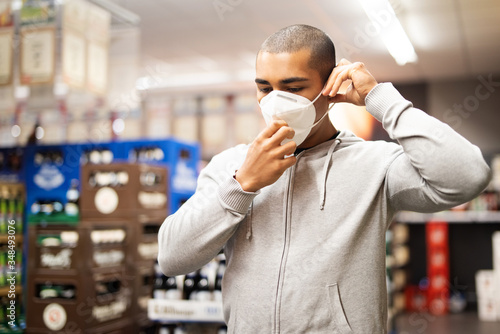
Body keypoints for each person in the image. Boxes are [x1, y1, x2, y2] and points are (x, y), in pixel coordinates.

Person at [158, 24, 491, 333]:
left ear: (329, 88)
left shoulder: (375, 166)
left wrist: (380, 100)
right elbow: (172, 257)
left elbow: (468, 176)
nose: (275, 101)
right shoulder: (230, 166)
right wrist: (242, 185)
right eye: (264, 88)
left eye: (293, 88)